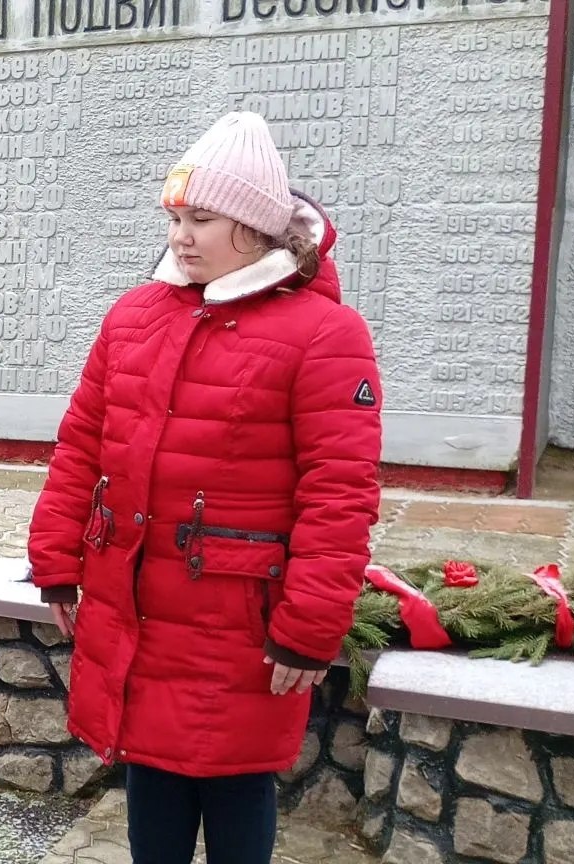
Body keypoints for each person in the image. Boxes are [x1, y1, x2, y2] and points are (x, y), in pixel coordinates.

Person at [27, 111, 381, 863]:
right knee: (150, 775)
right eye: (177, 217)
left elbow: (340, 494)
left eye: (203, 218)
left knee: (233, 782)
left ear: (253, 228)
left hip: (236, 619)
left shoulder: (324, 334)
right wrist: (56, 556)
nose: (181, 235)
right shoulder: (134, 316)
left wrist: (311, 624)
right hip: (135, 604)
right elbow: (81, 444)